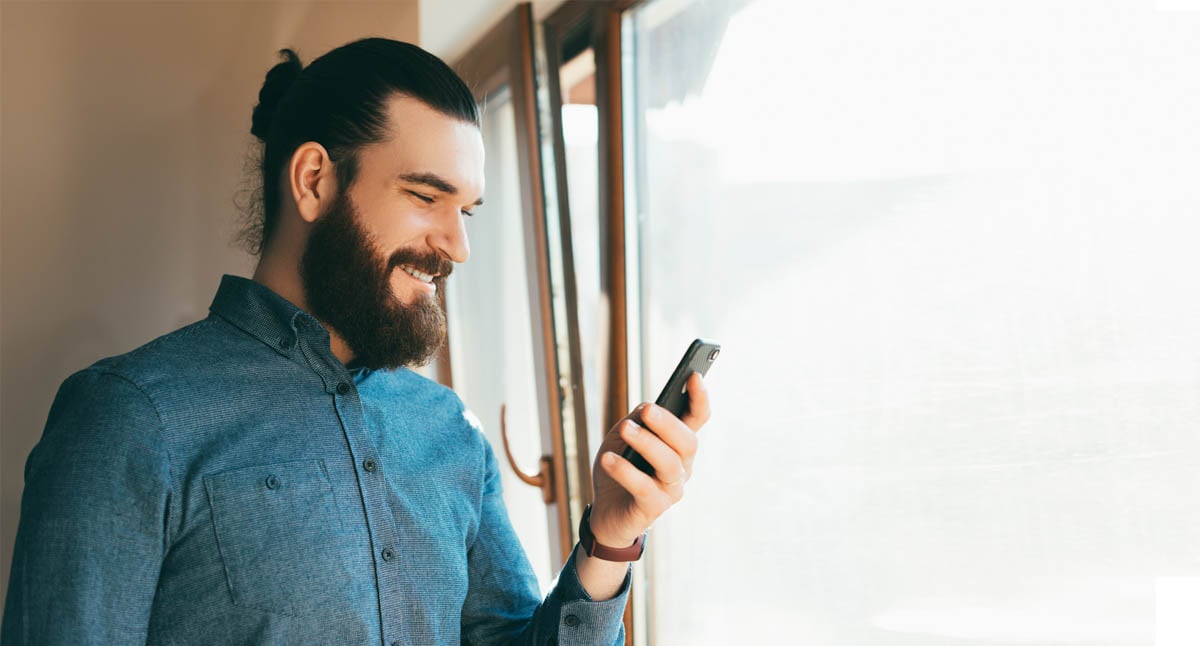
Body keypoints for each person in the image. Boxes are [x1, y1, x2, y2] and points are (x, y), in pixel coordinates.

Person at [1, 38, 710, 645]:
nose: (457, 246)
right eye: (425, 197)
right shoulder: (127, 418)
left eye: (465, 210)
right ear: (314, 181)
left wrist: (610, 536)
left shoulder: (448, 431)